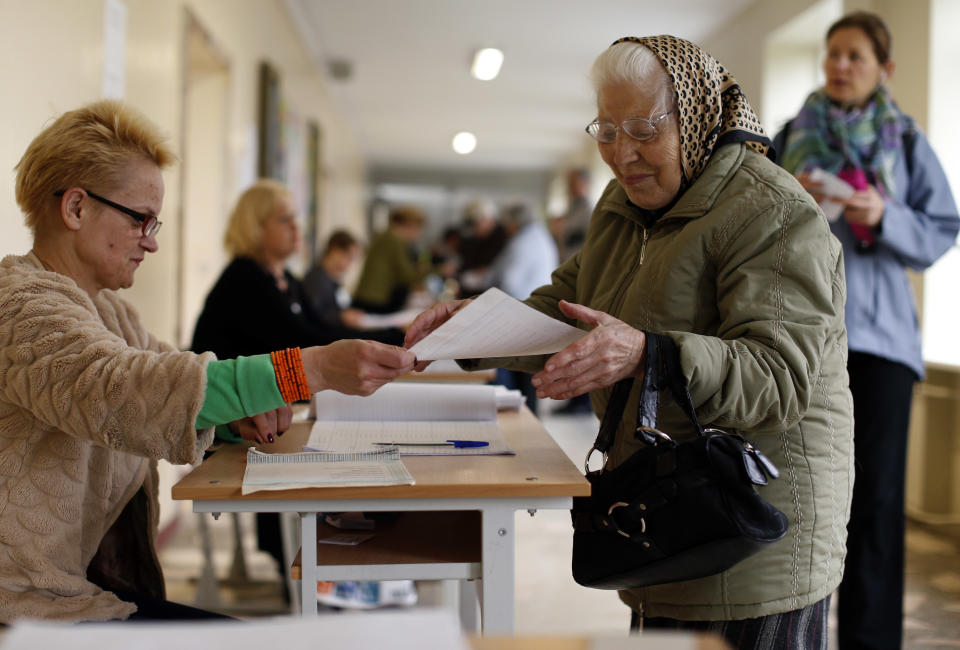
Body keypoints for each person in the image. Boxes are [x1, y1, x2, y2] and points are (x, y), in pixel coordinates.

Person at [407, 35, 853, 649]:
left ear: (695, 118)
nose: (623, 153)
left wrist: (651, 353)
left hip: (752, 525)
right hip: (666, 506)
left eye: (644, 129)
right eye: (607, 129)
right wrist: (472, 325)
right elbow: (564, 308)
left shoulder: (771, 211)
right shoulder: (622, 203)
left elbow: (779, 377)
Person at [0, 100, 416, 623]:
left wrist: (232, 417)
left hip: (76, 591)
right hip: (25, 608)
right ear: (76, 208)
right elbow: (123, 390)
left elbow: (171, 374)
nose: (150, 243)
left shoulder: (110, 311)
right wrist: (309, 369)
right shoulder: (18, 305)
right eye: (139, 220)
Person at [771, 11, 960, 649]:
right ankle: (794, 634)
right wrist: (788, 201)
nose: (840, 66)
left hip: (880, 345)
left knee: (875, 502)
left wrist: (885, 214)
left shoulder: (905, 140)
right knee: (800, 498)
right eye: (833, 55)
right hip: (802, 341)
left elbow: (942, 227)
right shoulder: (790, 134)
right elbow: (750, 226)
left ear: (885, 69)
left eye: (854, 56)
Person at [191, 181, 403, 575]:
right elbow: (307, 343)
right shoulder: (245, 278)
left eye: (296, 219)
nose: (296, 229)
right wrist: (395, 337)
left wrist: (389, 339)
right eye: (285, 220)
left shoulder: (284, 278)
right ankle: (299, 563)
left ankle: (331, 559)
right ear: (256, 227)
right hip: (226, 423)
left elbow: (322, 329)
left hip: (267, 413)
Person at [487, 203, 558, 415]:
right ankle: (528, 419)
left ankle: (523, 420)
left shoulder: (523, 242)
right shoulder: (539, 237)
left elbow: (510, 281)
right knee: (530, 378)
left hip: (523, 311)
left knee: (520, 376)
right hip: (536, 311)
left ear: (514, 222)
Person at [352, 205, 430, 313]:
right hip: (374, 301)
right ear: (410, 225)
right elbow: (407, 276)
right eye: (418, 230)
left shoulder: (386, 236)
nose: (417, 235)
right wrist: (432, 269)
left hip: (368, 298)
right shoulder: (394, 240)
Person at [302, 229, 366, 329]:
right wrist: (341, 317)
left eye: (353, 259)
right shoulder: (317, 279)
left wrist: (347, 314)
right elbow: (312, 315)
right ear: (334, 250)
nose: (349, 263)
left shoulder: (334, 279)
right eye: (348, 257)